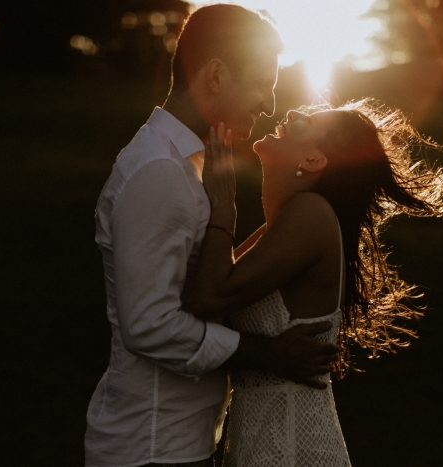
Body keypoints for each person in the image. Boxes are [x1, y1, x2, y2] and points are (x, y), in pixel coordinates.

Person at [84, 5, 338, 467]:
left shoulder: (187, 165)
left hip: (178, 442)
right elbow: (150, 325)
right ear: (217, 76)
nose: (270, 105)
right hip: (153, 445)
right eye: (262, 83)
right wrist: (268, 354)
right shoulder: (160, 172)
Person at [191, 101, 443, 466]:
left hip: (293, 444)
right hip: (268, 438)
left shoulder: (310, 214)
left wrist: (223, 205)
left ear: (314, 161)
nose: (291, 116)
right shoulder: (282, 227)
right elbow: (204, 297)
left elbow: (210, 295)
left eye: (305, 125)